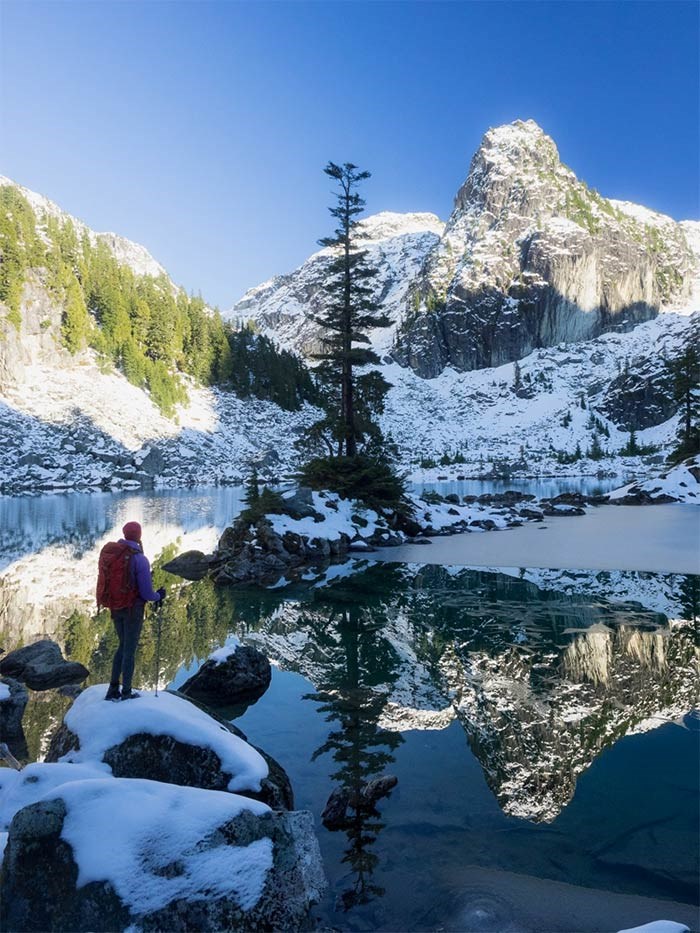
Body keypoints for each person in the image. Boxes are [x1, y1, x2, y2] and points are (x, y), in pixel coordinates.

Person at [103, 521, 165, 701]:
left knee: (122, 646)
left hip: (116, 607)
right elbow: (146, 593)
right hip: (133, 610)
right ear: (139, 535)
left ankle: (112, 689)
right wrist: (159, 596)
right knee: (129, 650)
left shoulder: (115, 554)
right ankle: (126, 692)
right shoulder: (139, 559)